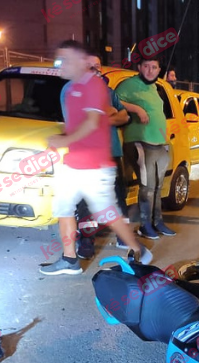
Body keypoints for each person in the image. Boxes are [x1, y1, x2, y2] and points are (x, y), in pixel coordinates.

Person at [41, 41, 151, 276]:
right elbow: (75, 125)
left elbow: (92, 123)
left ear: (82, 62)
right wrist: (61, 138)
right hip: (73, 163)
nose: (60, 65)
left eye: (66, 60)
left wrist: (63, 140)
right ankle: (70, 259)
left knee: (106, 213)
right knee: (63, 208)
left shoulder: (94, 85)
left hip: (95, 166)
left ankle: (137, 249)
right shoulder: (69, 89)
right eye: (59, 60)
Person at [75, 56, 132, 258]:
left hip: (112, 151)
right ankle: (87, 241)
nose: (94, 68)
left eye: (97, 65)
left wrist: (106, 117)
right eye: (89, 65)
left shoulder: (109, 92)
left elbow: (124, 116)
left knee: (119, 195)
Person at [115, 54, 176, 239]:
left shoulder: (155, 87)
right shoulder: (129, 84)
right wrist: (137, 109)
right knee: (147, 187)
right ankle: (144, 225)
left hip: (159, 143)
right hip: (140, 142)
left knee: (157, 186)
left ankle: (157, 221)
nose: (150, 70)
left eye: (154, 67)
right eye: (146, 66)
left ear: (159, 70)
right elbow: (112, 100)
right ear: (139, 67)